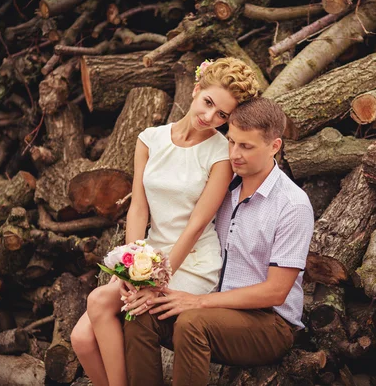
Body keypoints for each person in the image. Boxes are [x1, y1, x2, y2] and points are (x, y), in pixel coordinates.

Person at [70, 57, 260, 386]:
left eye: (222, 115)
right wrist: (130, 266)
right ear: (196, 90)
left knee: (100, 300)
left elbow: (198, 224)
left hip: (191, 262)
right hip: (148, 255)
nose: (210, 117)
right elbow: (138, 209)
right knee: (82, 340)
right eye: (209, 103)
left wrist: (157, 280)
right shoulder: (149, 139)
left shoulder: (220, 154)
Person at [123, 97, 315, 386]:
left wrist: (199, 302)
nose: (234, 154)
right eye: (232, 142)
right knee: (139, 315)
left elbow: (276, 291)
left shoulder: (292, 205)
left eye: (246, 146)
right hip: (213, 309)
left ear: (275, 146)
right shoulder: (223, 187)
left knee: (192, 323)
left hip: (269, 324)